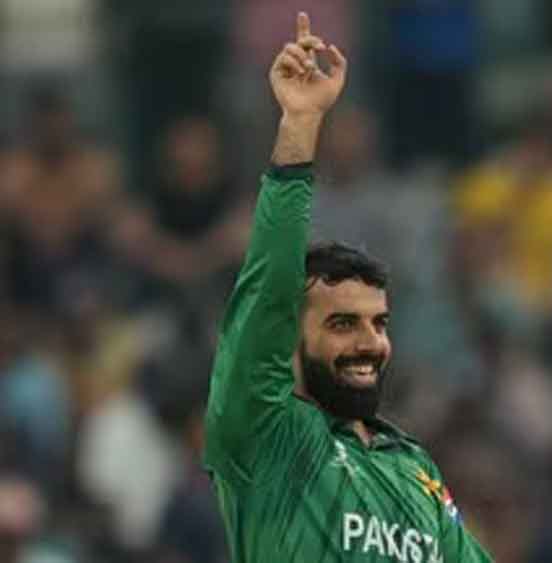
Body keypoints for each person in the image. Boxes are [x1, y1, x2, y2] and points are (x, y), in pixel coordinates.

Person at [202, 13, 492, 563]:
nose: (370, 343)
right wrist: (300, 125)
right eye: (342, 323)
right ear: (291, 337)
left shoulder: (414, 470)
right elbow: (267, 289)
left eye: (378, 324)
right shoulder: (267, 435)